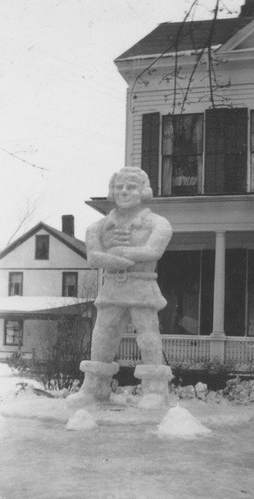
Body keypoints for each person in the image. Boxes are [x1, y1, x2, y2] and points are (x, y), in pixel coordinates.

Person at [68, 166, 173, 411]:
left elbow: (153, 251)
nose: (124, 192)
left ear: (143, 191)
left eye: (131, 187)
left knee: (148, 335)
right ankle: (95, 388)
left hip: (141, 284)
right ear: (112, 191)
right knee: (103, 335)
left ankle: (155, 390)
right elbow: (94, 258)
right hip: (113, 286)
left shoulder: (158, 224)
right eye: (119, 187)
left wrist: (118, 252)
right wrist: (117, 259)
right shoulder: (97, 227)